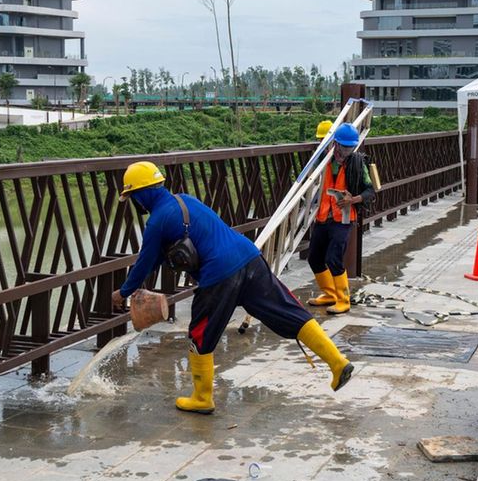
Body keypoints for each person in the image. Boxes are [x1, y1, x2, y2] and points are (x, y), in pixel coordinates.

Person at [112, 162, 353, 414]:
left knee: (200, 332)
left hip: (219, 275)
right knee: (289, 310)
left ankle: (202, 398)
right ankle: (337, 363)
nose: (135, 203)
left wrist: (124, 292)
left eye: (133, 197)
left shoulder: (156, 222)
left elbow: (145, 264)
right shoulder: (185, 200)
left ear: (142, 194)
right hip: (249, 257)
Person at [307, 122, 374, 314]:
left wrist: (353, 199)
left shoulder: (357, 163)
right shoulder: (325, 159)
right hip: (323, 215)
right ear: (334, 143)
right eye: (343, 146)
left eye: (350, 147)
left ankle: (343, 299)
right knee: (314, 258)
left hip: (343, 218)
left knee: (333, 258)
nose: (346, 150)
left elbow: (370, 190)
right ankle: (329, 294)